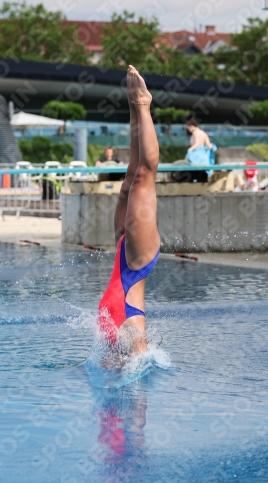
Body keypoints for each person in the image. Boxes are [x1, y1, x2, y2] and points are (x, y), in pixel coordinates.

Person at [98, 65, 160, 356]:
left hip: (121, 256)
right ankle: (142, 105)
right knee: (144, 176)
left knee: (130, 180)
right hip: (136, 264)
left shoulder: (129, 337)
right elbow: (139, 370)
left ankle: (135, 109)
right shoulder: (135, 334)